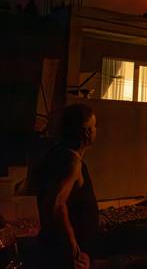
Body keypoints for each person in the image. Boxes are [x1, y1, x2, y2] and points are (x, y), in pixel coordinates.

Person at [36, 103, 99, 268]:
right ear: (86, 131)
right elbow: (56, 205)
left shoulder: (59, 154)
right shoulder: (70, 162)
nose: (96, 130)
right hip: (67, 257)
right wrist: (73, 251)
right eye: (94, 126)